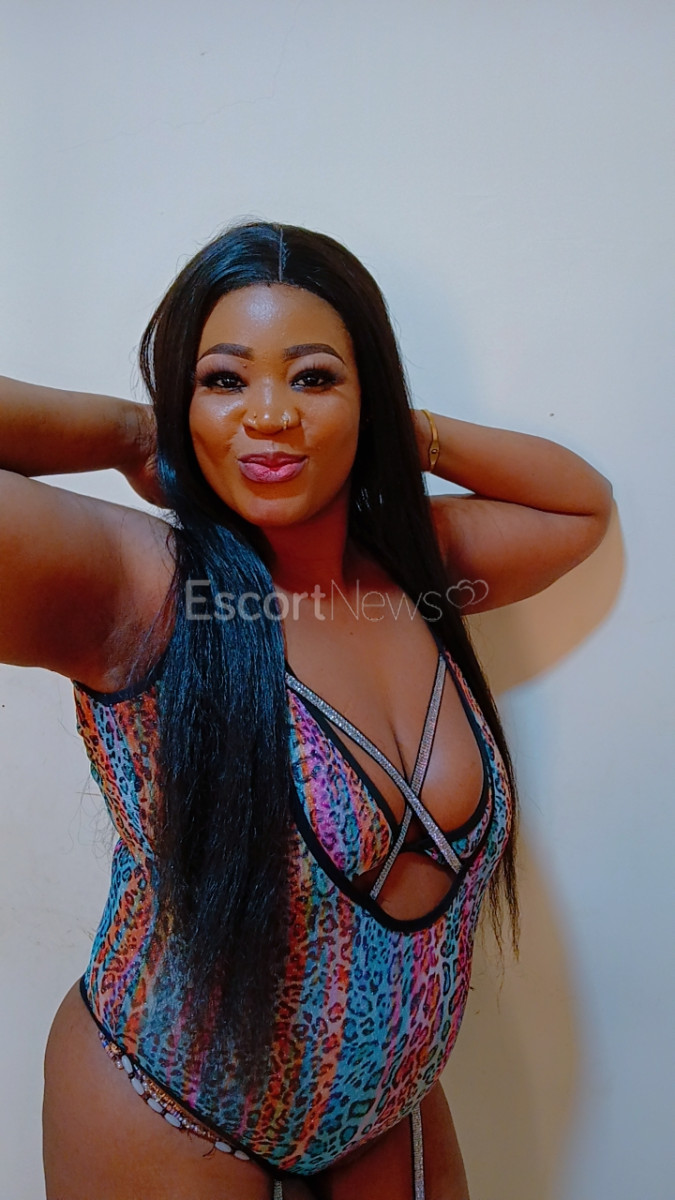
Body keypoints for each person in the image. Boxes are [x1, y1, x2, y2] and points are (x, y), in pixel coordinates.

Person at [0, 222, 612, 1200]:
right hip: (169, 1113)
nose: (271, 415)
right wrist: (130, 435)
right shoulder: (144, 590)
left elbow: (578, 508)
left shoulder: (416, 571)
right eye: (224, 380)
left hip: (388, 1118)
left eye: (315, 378)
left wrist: (407, 435)